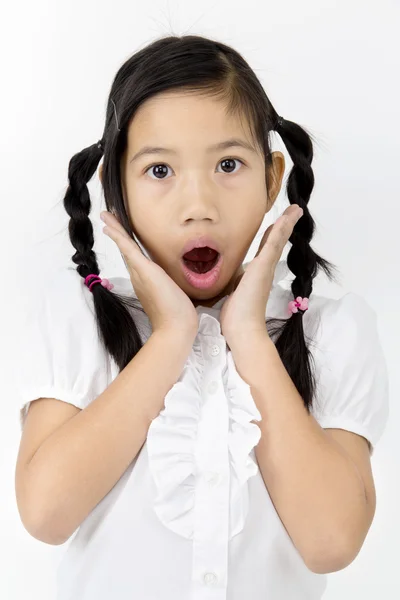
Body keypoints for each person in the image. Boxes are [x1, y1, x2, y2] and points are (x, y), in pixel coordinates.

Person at [14, 34, 389, 600]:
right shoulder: (80, 317)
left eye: (229, 164)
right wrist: (170, 339)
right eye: (160, 171)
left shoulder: (333, 329)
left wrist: (247, 339)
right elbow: (46, 514)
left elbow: (332, 541)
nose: (199, 205)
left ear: (271, 178)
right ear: (116, 188)